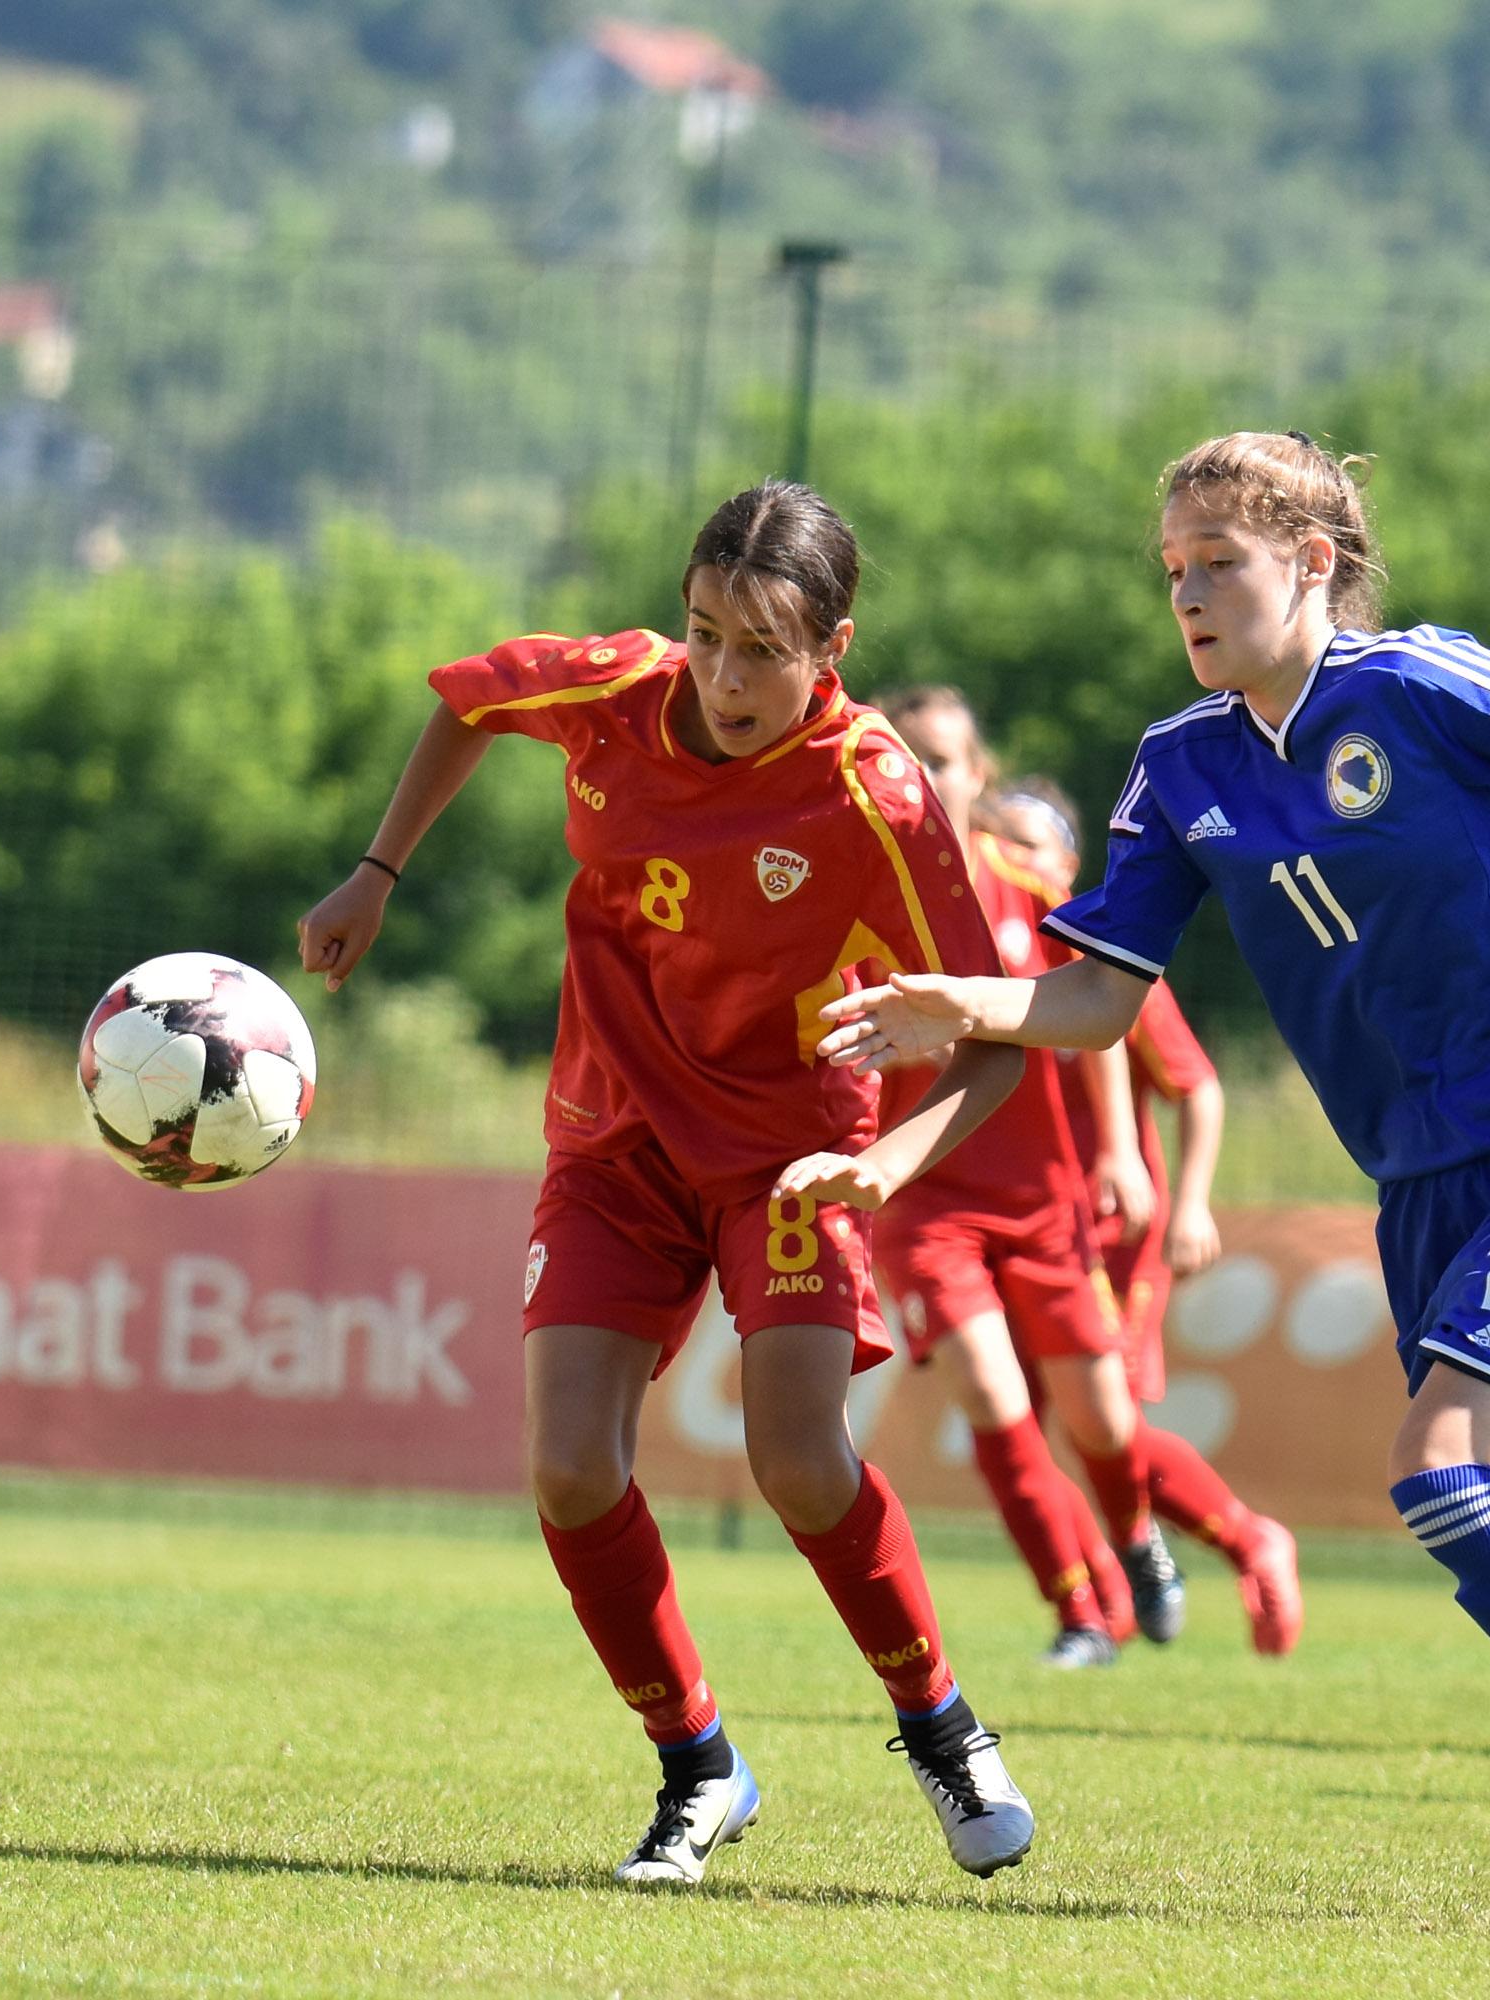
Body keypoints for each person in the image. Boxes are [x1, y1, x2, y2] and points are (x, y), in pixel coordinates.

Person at [816, 431, 1490, 1923]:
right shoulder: (1181, 768)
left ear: (1313, 564)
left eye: (1220, 564)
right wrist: (964, 1004)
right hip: (1420, 1185)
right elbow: (1096, 1002)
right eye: (1172, 570)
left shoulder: (1421, 684)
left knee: (1442, 1474)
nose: (1187, 595)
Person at [294, 481, 1037, 1888]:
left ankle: (938, 1724)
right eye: (706, 634)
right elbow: (466, 702)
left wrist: (880, 1162)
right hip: (613, 1136)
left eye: (763, 648)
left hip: (789, 1158)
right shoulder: (619, 692)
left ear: (834, 647)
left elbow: (1001, 1037)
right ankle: (698, 1768)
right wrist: (377, 871)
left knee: (799, 1463)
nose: (724, 676)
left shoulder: (874, 792)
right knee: (571, 1468)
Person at [872, 688, 1296, 1667]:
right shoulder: (863, 889)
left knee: (1098, 1419)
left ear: (977, 776)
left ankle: (1152, 1540)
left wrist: (1121, 1153)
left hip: (1055, 1205)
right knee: (993, 1397)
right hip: (928, 1199)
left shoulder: (1031, 892)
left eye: (944, 758)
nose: (924, 778)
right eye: (904, 758)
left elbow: (1112, 1027)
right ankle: (1081, 1609)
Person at [1010, 780, 1305, 1655]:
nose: (1011, 865)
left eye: (1030, 848)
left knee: (1106, 1424)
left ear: (1066, 864)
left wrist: (1190, 1198)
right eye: (999, 846)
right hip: (1027, 1229)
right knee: (1021, 1427)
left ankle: (1241, 1540)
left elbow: (1196, 1083)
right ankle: (1101, 1600)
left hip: (1108, 1236)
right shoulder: (989, 961)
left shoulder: (1103, 958)